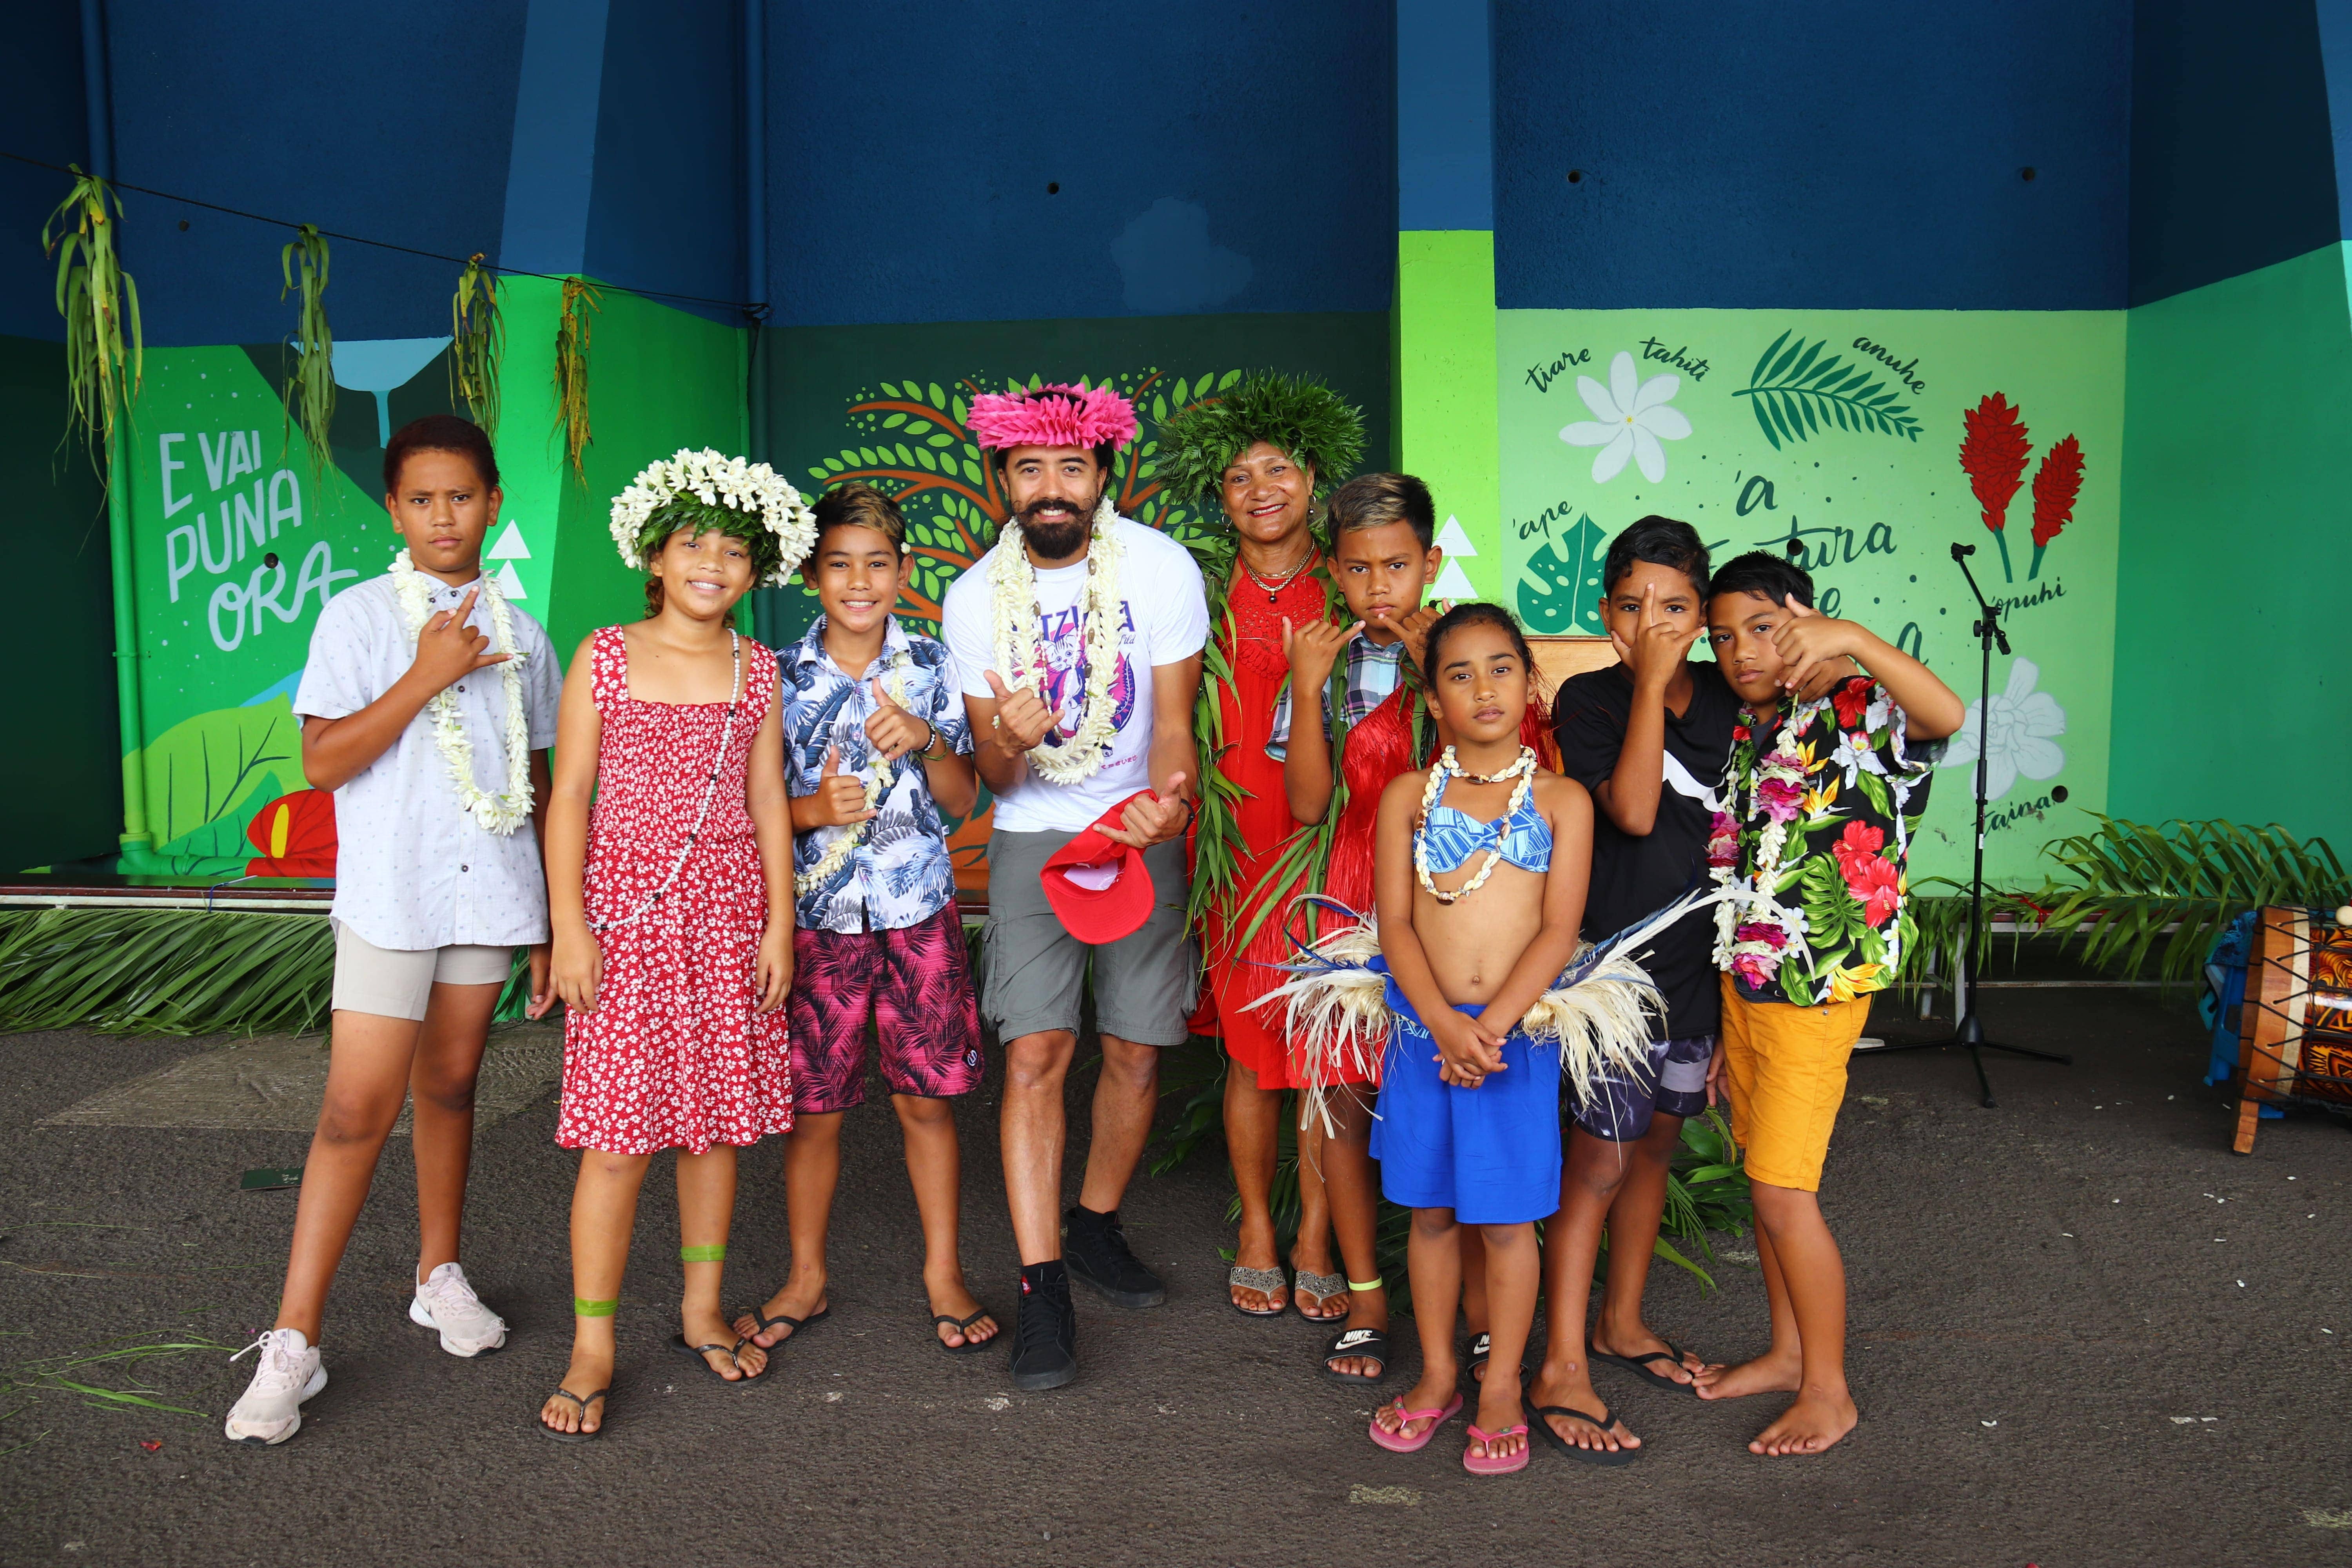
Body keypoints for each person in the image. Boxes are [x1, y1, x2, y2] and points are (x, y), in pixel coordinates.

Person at [226, 415, 559, 1447]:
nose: (444, 516)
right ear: (394, 510)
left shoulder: (527, 635)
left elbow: (543, 780)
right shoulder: (360, 619)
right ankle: (294, 1340)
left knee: (453, 1087)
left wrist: (548, 922)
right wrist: (423, 674)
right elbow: (325, 764)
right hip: (393, 896)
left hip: (490, 894)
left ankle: (438, 1275)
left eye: (462, 496)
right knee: (352, 1111)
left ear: (493, 504)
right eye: (422, 499)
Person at [1535, 520, 1866, 1463]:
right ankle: (1562, 1358)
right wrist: (1648, 682)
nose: (1656, 624)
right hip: (1613, 979)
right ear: (1606, 618)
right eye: (1634, 608)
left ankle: (1623, 1322)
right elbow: (1634, 810)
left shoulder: (1742, 697)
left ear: (1706, 616)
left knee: (1655, 1151)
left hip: (1702, 978)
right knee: (1596, 1162)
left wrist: (1731, 1007)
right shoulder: (1593, 698)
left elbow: (1761, 850)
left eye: (1678, 609)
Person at [534, 448, 813, 1440]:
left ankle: (702, 1307)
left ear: (757, 571)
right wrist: (569, 925)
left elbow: (769, 798)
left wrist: (779, 921)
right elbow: (569, 796)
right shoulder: (604, 653)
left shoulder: (759, 669)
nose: (714, 563)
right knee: (616, 1143)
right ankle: (593, 1341)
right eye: (695, 543)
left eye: (736, 550)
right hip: (624, 924)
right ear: (655, 556)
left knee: (715, 1127)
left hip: (729, 919)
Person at [940, 382, 1207, 1391]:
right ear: (1003, 480)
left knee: (1138, 1051)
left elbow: (1175, 721)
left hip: (1141, 828)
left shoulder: (1160, 567)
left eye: (1071, 467)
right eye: (1029, 469)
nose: (1051, 489)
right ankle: (1041, 1281)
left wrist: (1170, 804)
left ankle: (1094, 1224)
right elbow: (998, 781)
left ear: (1104, 475)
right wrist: (1004, 739)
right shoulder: (974, 598)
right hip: (1030, 834)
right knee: (1040, 1053)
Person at [1690, 551, 1963, 1457]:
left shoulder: (1865, 705)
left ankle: (1829, 1390)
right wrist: (1730, 1016)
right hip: (1751, 985)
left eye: (1761, 627)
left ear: (1804, 615)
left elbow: (1948, 713)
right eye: (1722, 637)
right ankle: (1785, 1349)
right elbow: (1740, 870)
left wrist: (1851, 641)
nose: (1740, 650)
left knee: (1784, 1189)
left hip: (1818, 991)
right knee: (1761, 1187)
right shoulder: (1750, 730)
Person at [731, 483, 997, 1357]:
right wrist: (814, 806)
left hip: (918, 914)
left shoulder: (933, 664)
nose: (859, 580)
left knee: (926, 1104)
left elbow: (962, 801)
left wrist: (925, 738)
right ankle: (806, 1275)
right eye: (840, 563)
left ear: (904, 571)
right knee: (816, 1112)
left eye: (877, 563)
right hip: (818, 922)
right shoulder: (774, 673)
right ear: (812, 574)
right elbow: (757, 806)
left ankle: (943, 1273)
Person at [1362, 604, 1595, 1476]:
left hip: (1513, 1043)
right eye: (1459, 673)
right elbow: (1395, 923)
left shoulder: (1562, 800)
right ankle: (1437, 1372)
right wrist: (1444, 1025)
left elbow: (1560, 927)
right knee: (1429, 1213)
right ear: (1433, 698)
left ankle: (1501, 1382)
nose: (1484, 687)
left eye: (1501, 667)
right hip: (1425, 1034)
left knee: (1504, 1222)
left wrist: (1489, 1027)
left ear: (1531, 684)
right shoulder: (1407, 798)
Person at [1154, 374, 1366, 1324]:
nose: (1260, 487)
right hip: (1236, 852)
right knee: (1249, 1053)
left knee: (1326, 1045)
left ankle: (1319, 1230)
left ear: (1314, 479)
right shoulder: (1195, 593)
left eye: (1278, 468)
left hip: (1335, 843)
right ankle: (1256, 1225)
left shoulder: (1353, 584)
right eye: (1239, 476)